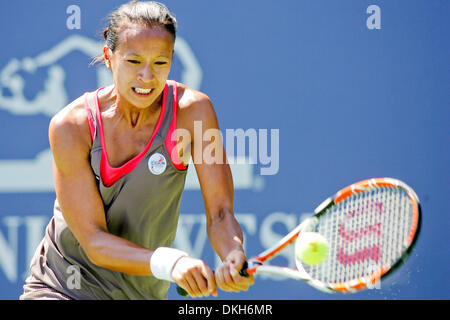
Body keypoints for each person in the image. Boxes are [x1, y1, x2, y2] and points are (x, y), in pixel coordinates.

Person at [20, 0, 254, 300]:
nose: (147, 76)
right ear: (108, 57)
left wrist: (232, 253)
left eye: (160, 62)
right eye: (133, 61)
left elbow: (221, 213)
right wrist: (173, 262)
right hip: (61, 287)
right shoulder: (71, 126)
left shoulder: (193, 113)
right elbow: (94, 241)